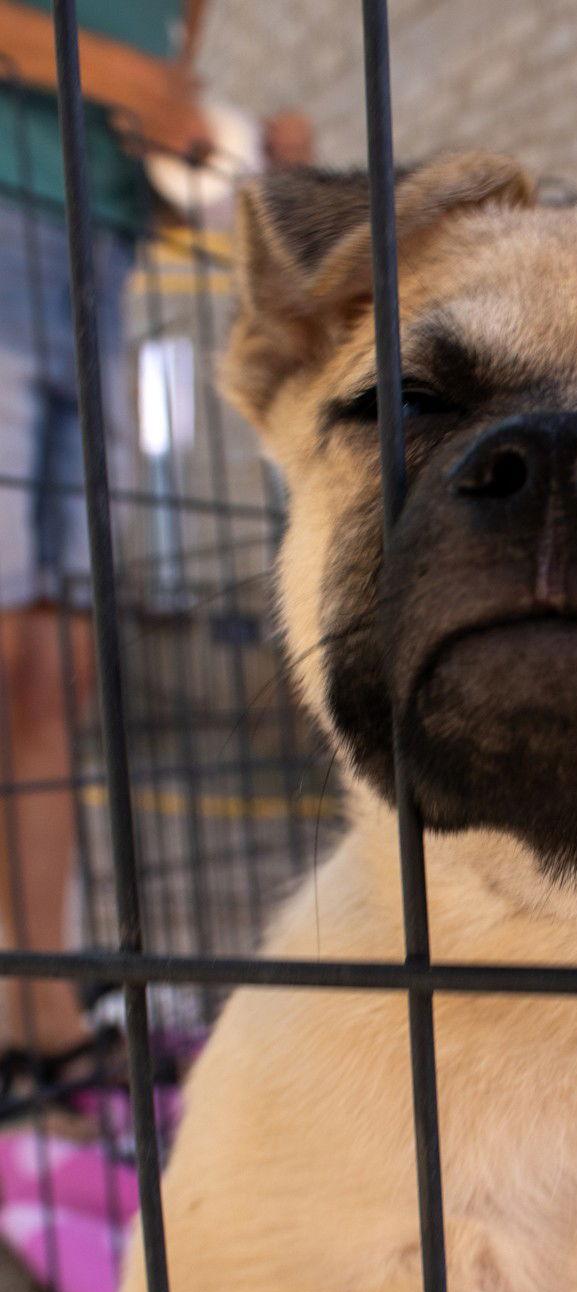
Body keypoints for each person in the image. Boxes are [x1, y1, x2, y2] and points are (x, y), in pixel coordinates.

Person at [0, 0, 310, 1066]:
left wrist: (236, 160)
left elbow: (148, 180)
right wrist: (142, 90)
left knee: (59, 672)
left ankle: (43, 1016)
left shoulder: (174, 10)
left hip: (95, 286)